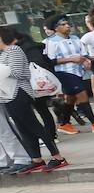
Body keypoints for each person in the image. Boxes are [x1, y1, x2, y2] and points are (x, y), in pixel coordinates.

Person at [0, 25, 67, 173]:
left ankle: (58, 157)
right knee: (23, 128)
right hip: (7, 95)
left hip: (19, 93)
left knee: (34, 126)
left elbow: (18, 73)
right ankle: (36, 159)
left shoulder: (14, 50)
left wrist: (3, 71)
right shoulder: (3, 54)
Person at [44, 15, 94, 134]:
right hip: (63, 72)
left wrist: (87, 60)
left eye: (68, 24)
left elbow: (82, 54)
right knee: (82, 94)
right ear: (56, 28)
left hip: (78, 72)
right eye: (63, 24)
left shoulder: (75, 38)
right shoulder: (50, 42)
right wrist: (71, 59)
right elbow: (49, 61)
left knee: (70, 99)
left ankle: (64, 124)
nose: (67, 26)